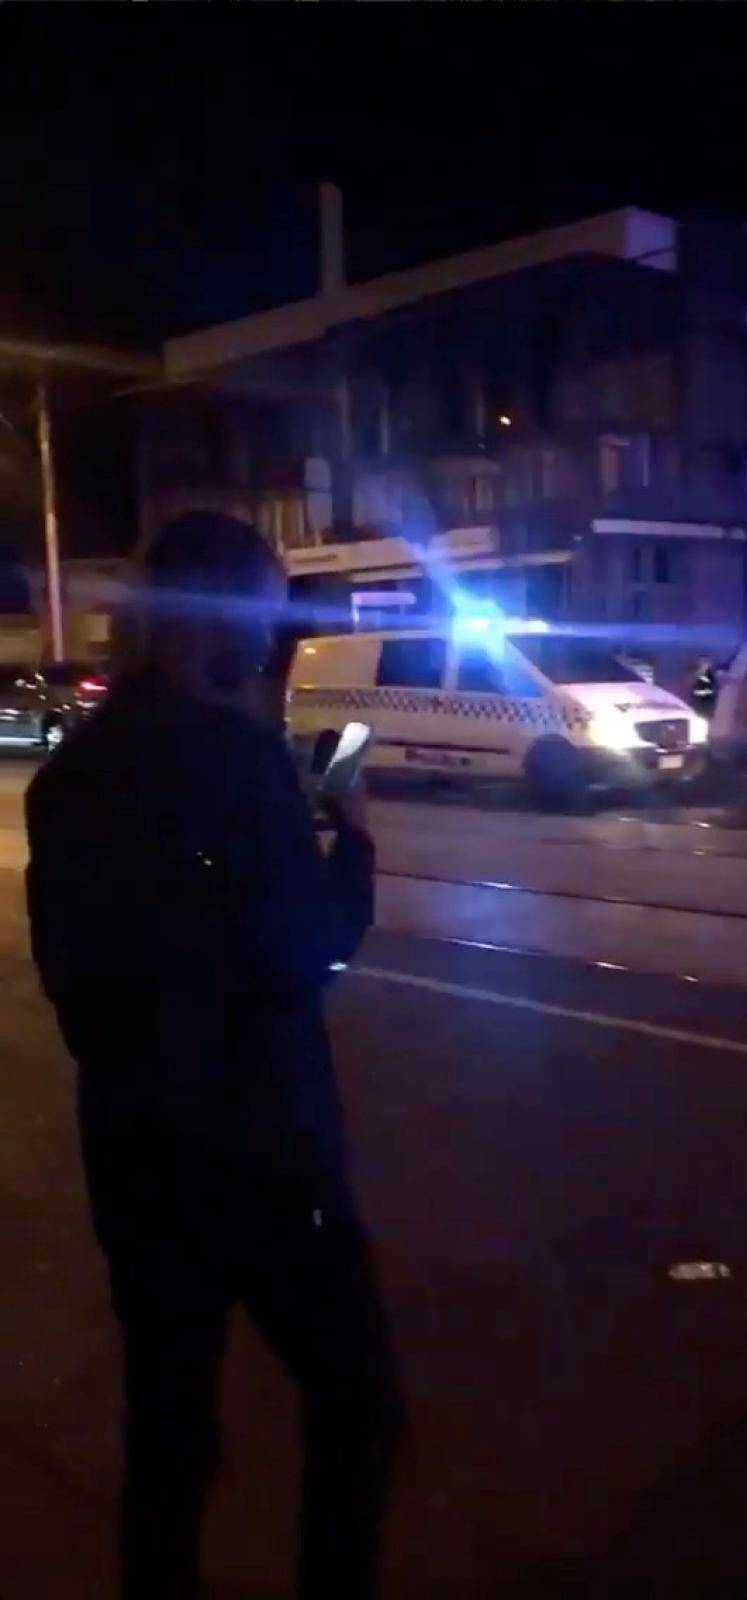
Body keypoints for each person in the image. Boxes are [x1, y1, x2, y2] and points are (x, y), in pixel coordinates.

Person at [25, 512, 401, 1600]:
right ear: (220, 621)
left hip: (138, 1151)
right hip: (264, 1153)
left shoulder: (76, 773)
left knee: (170, 1426)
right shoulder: (235, 761)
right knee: (356, 1400)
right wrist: (354, 835)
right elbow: (306, 951)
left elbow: (74, 980)